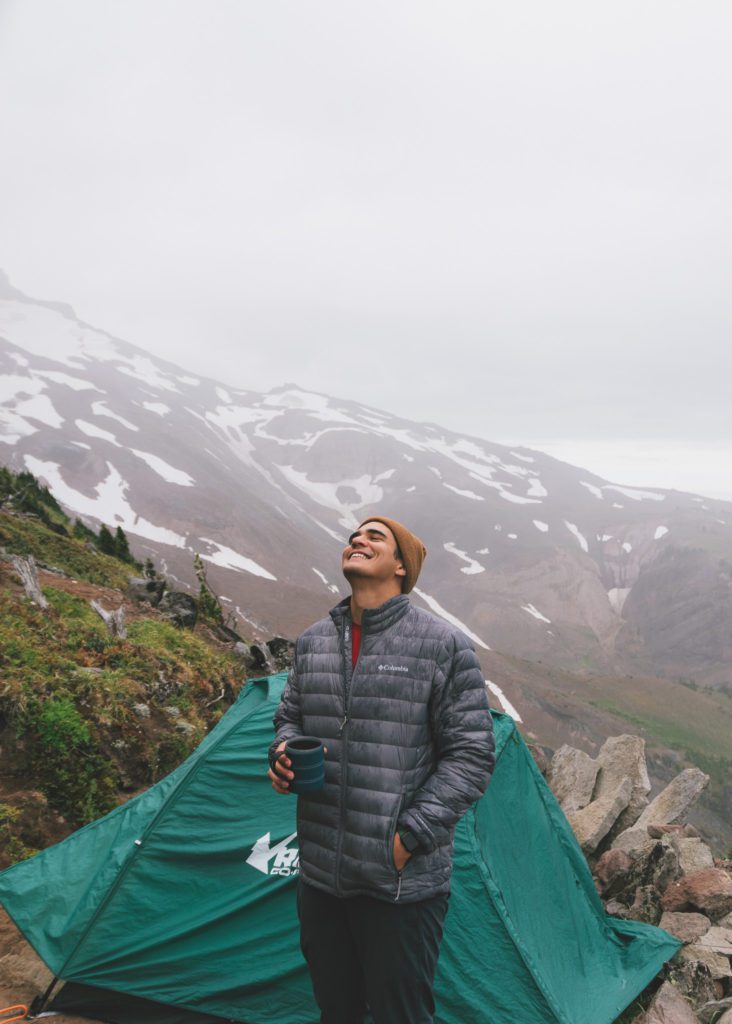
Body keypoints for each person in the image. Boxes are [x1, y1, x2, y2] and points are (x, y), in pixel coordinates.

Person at [268, 514, 495, 1024]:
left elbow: (474, 754)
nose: (358, 539)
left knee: (402, 1015)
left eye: (376, 536)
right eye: (355, 535)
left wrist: (409, 837)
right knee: (337, 1011)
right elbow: (289, 718)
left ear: (400, 567)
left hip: (400, 886)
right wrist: (281, 756)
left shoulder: (441, 645)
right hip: (322, 877)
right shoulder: (313, 642)